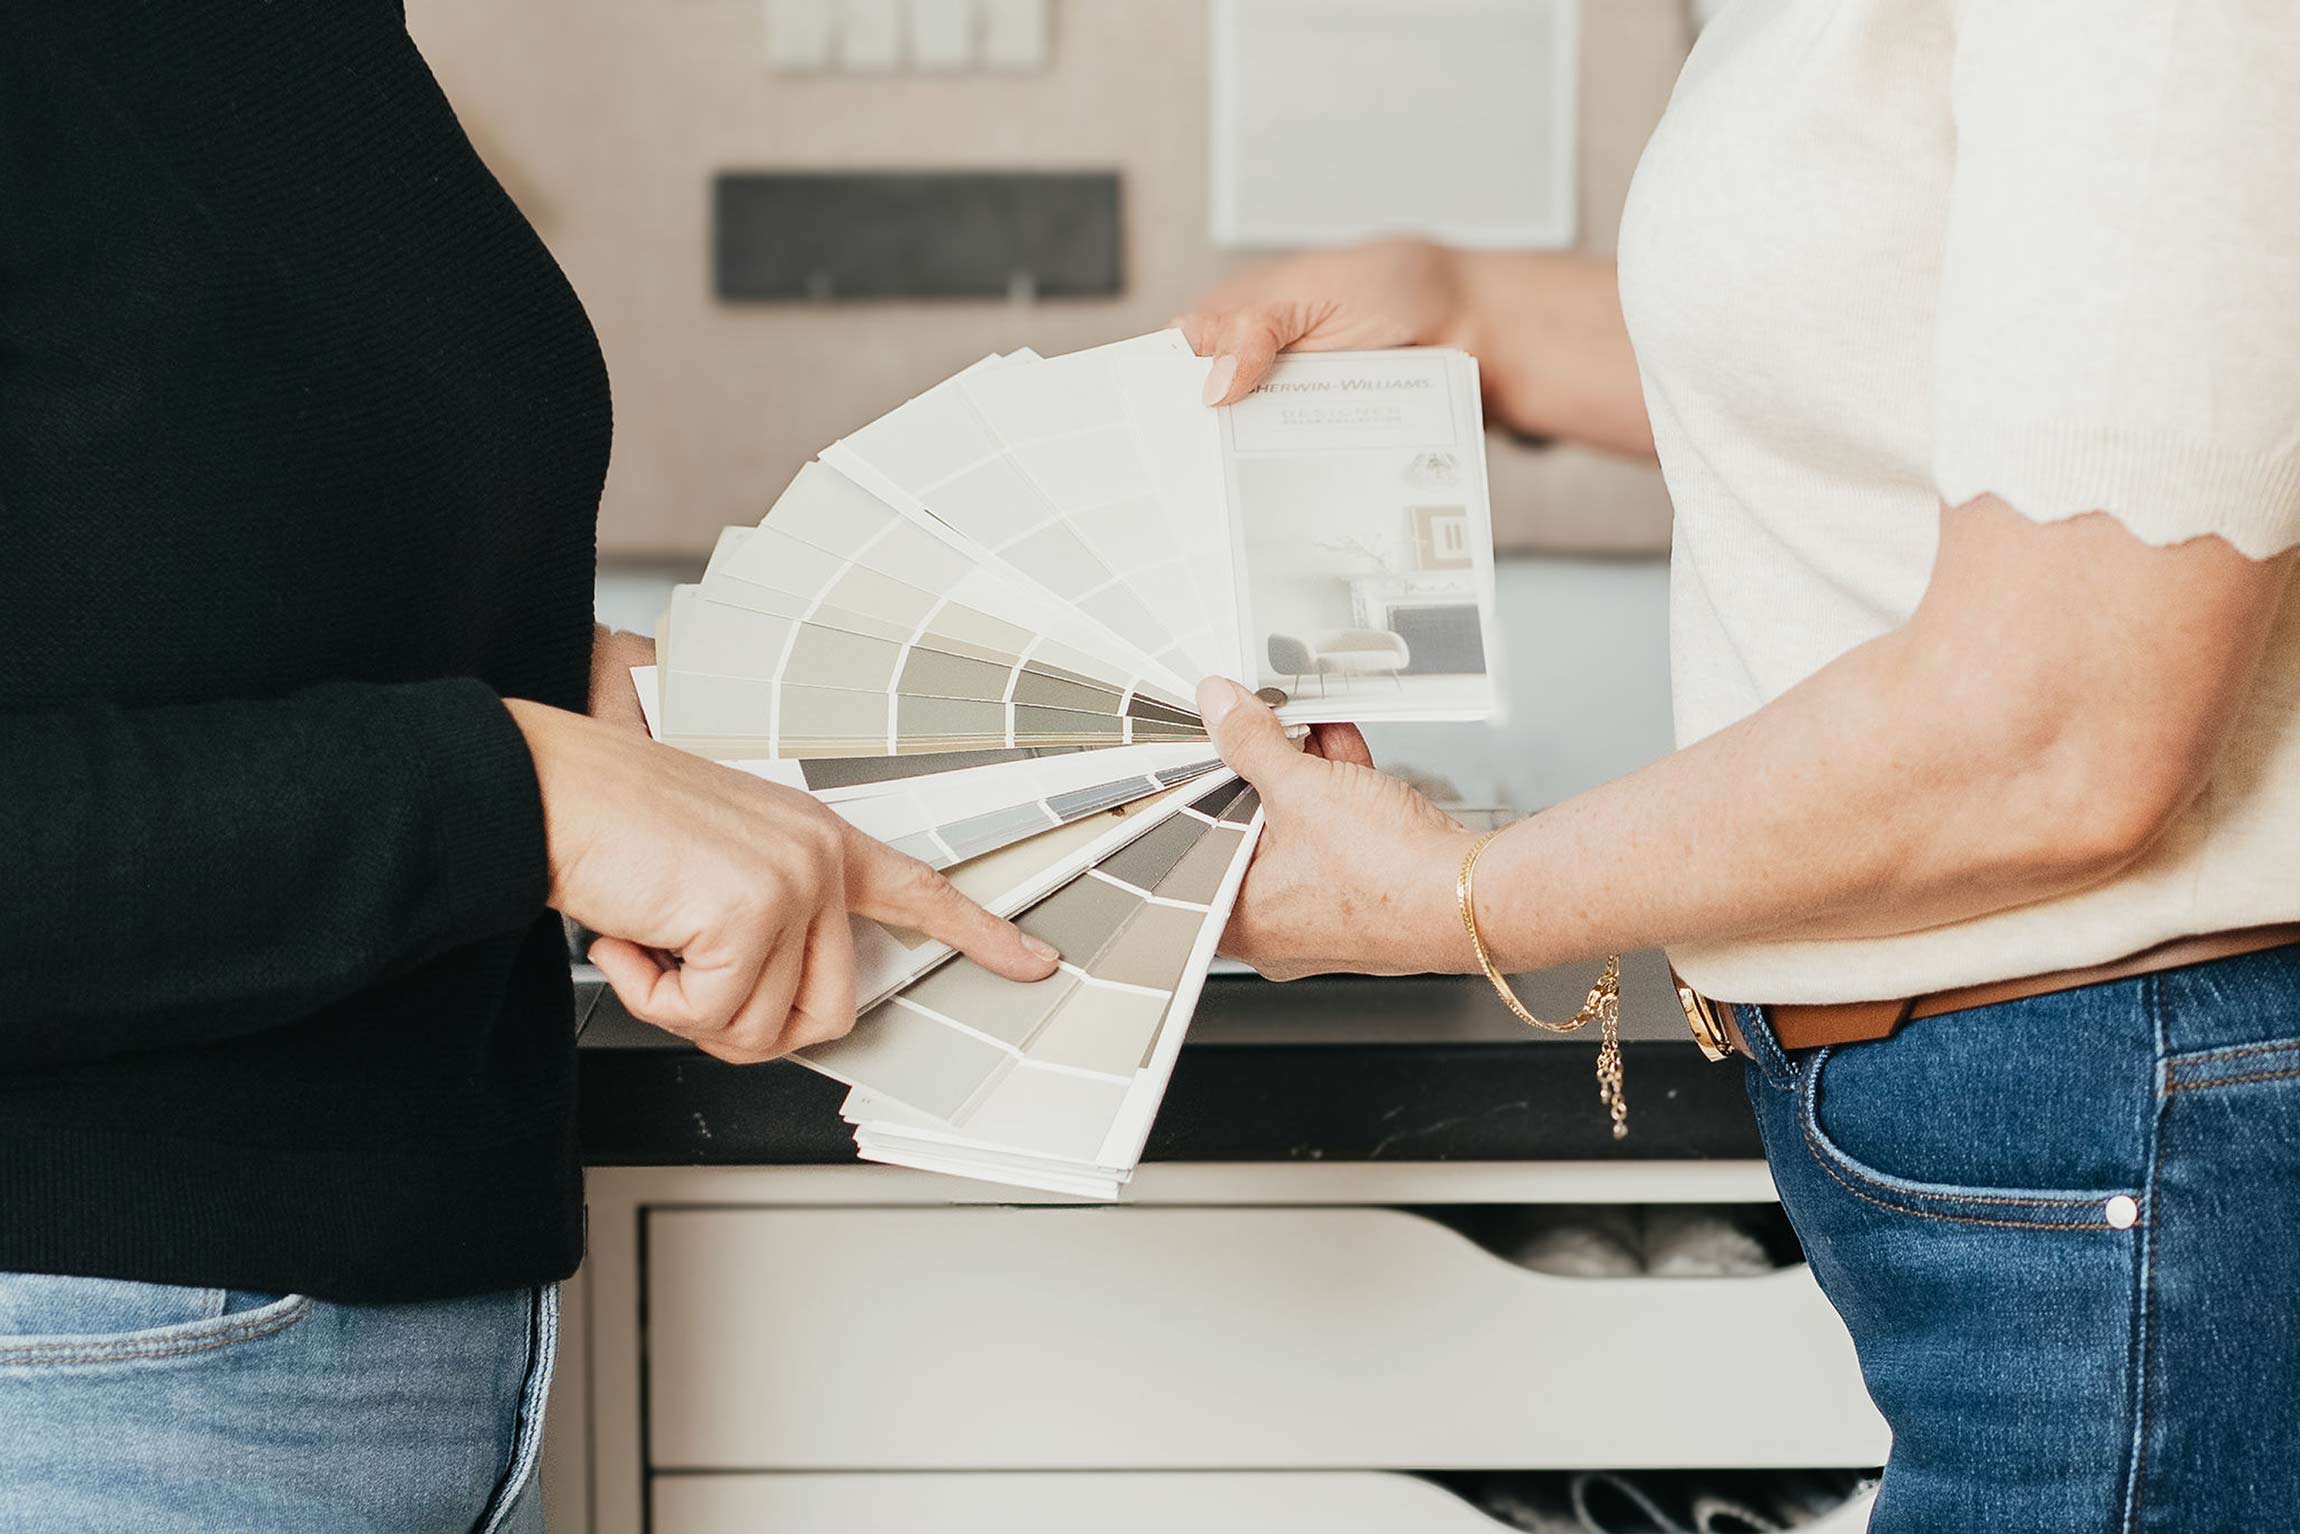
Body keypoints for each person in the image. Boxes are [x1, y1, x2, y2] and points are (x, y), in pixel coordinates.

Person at [1178, 4, 2300, 1529]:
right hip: (2023, 1115)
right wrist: (1469, 310)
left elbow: (2064, 727)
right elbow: (1933, 362)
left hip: (2122, 1114)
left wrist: (1456, 895)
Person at [0, 5, 1054, 1527]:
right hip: (89, 1381)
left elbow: (189, 579)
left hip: (427, 1361)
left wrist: (665, 720)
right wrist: (524, 793)